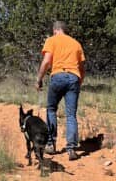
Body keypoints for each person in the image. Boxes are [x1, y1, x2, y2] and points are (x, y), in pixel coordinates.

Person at [36, 21, 86, 162]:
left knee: (51, 109)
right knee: (71, 114)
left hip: (58, 76)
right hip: (74, 77)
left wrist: (39, 79)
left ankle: (51, 144)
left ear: (56, 30)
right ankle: (71, 148)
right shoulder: (76, 44)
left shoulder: (52, 40)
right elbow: (82, 68)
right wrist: (78, 82)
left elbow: (46, 62)